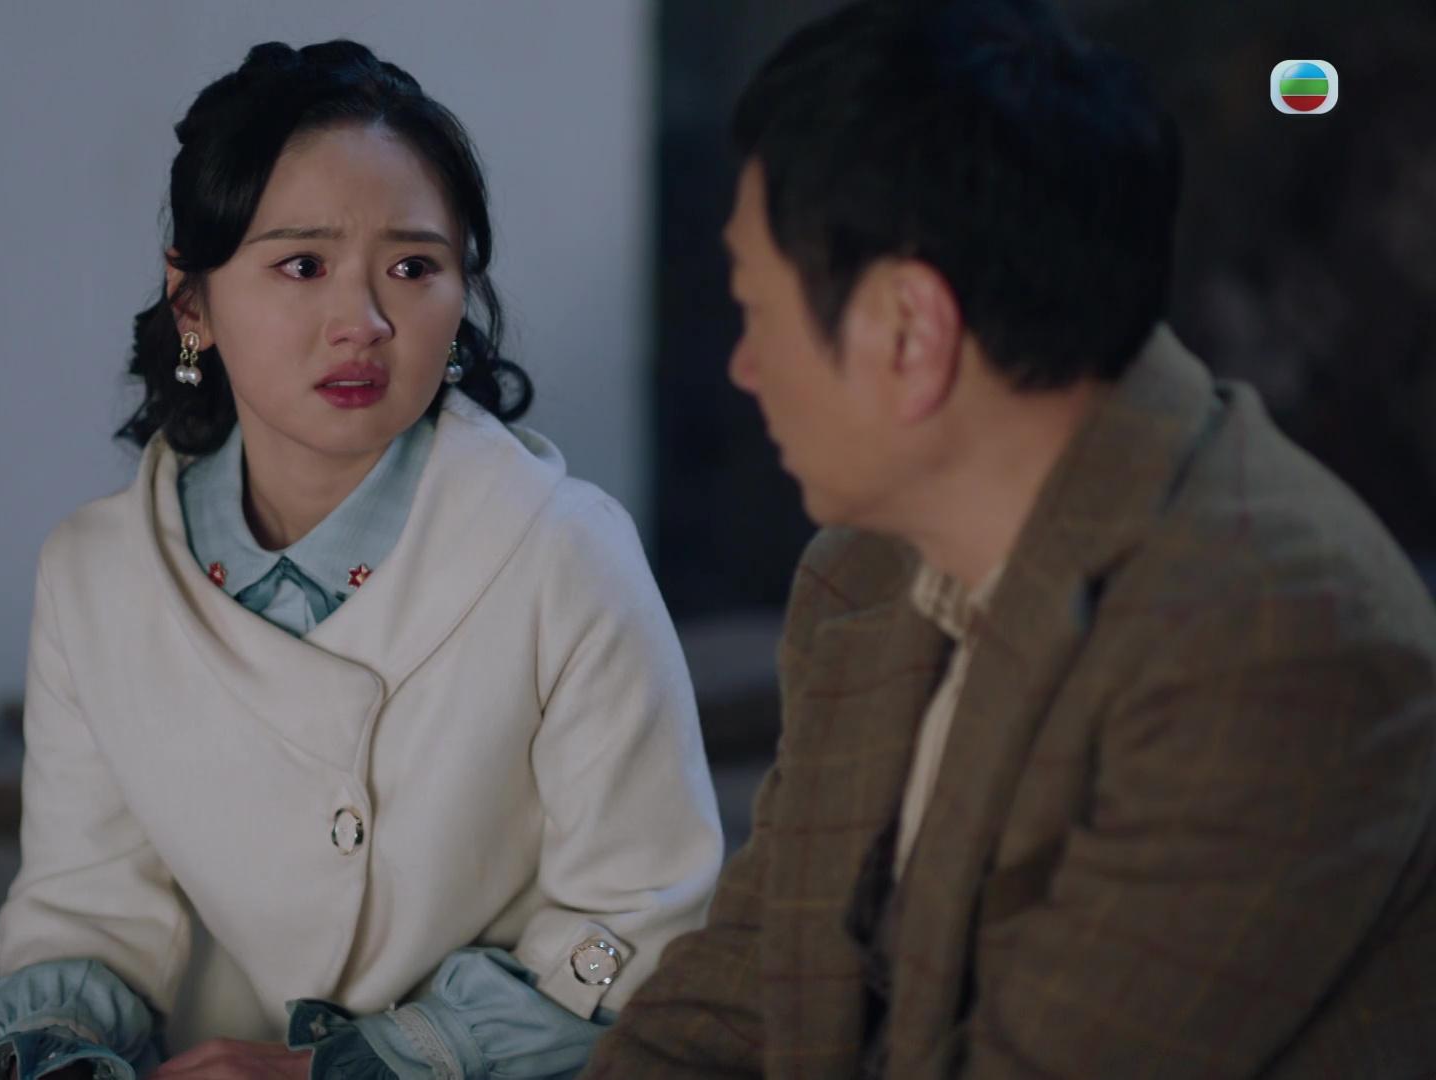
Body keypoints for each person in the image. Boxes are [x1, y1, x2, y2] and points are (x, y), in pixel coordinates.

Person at [583, 0, 1436, 1076]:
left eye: (755, 310)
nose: (743, 368)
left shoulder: (1276, 639)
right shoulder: (866, 567)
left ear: (910, 333)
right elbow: (737, 995)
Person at [0, 40, 724, 1080]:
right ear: (192, 303)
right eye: (302, 266)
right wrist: (54, 1052)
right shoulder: (98, 575)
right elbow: (86, 913)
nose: (361, 325)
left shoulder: (562, 551)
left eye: (413, 268)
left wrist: (357, 1067)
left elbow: (637, 927)